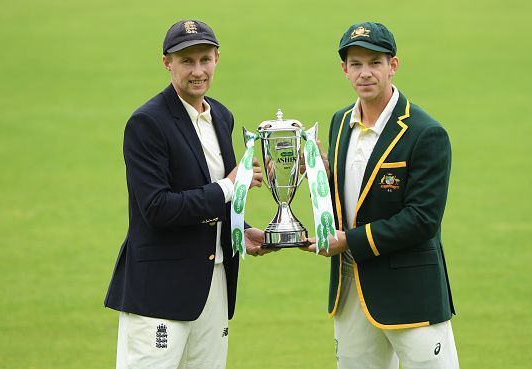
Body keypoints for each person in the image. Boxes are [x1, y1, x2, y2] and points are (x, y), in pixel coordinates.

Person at [104, 19, 268, 369]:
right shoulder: (147, 123)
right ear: (167, 62)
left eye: (205, 60)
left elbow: (206, 198)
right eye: (187, 62)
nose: (198, 71)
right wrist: (229, 186)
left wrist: (239, 228)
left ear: (217, 59)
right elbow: (158, 208)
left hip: (215, 284)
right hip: (160, 291)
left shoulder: (221, 116)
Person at [302, 22, 460, 368]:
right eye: (356, 64)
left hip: (411, 294)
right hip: (350, 289)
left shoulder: (426, 133)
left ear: (393, 65)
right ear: (344, 70)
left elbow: (422, 219)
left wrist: (350, 241)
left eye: (375, 62)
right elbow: (350, 197)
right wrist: (316, 170)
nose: (365, 73)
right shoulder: (340, 122)